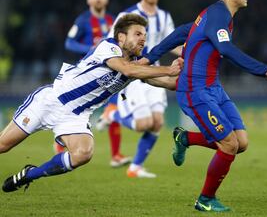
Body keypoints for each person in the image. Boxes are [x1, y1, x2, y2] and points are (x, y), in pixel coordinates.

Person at [138, 0, 267, 212]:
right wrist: (264, 69)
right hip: (196, 92)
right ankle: (204, 200)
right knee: (229, 144)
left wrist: (150, 56)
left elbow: (182, 33)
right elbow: (226, 50)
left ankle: (184, 137)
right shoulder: (217, 15)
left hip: (213, 88)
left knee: (242, 142)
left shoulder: (215, 14)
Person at [0, 14, 182, 193]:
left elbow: (170, 83)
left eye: (145, 35)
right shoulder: (108, 46)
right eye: (138, 34)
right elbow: (128, 70)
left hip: (75, 116)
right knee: (3, 145)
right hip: (49, 102)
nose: (143, 39)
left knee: (83, 154)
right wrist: (168, 68)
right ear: (121, 36)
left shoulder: (137, 66)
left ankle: (30, 175)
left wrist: (186, 67)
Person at [96, 0, 179, 177]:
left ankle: (135, 167)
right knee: (144, 124)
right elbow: (111, 43)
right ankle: (112, 114)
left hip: (155, 73)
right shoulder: (127, 17)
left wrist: (195, 51)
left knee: (158, 122)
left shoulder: (164, 17)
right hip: (133, 76)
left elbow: (173, 45)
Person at [61, 0, 131, 167]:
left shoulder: (113, 21)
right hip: (87, 74)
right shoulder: (82, 20)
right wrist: (91, 48)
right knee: (76, 110)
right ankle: (62, 145)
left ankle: (115, 154)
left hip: (110, 72)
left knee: (114, 108)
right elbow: (69, 43)